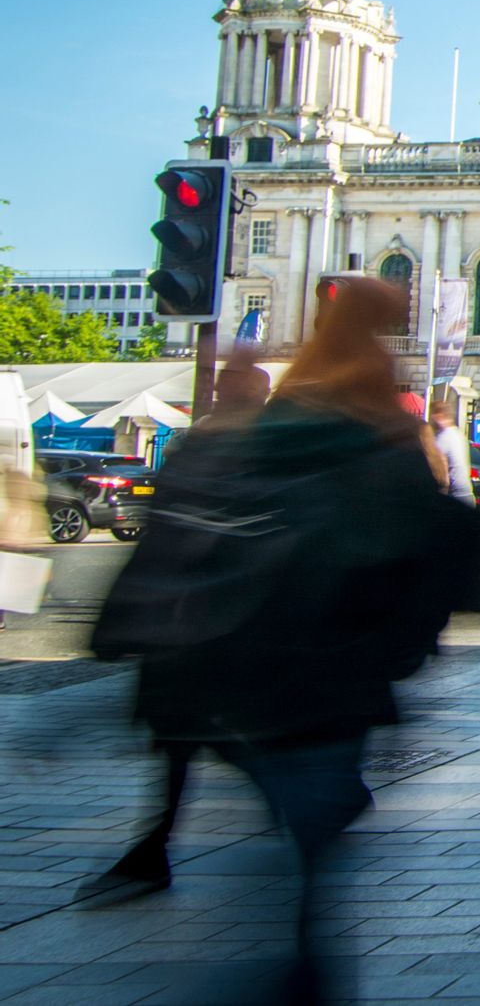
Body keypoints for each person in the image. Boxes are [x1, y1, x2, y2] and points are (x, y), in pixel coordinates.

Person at [92, 279, 474, 1003]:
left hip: (252, 660)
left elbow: (187, 531)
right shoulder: (383, 431)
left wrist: (128, 624)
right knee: (307, 857)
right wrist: (409, 641)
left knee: (290, 846)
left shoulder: (271, 423)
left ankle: (292, 964)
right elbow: (430, 552)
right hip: (337, 673)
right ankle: (301, 971)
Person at [83, 348, 272, 904]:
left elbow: (182, 532)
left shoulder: (225, 445)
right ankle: (154, 846)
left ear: (246, 393)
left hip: (197, 617)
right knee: (183, 737)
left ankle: (157, 847)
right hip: (191, 616)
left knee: (189, 734)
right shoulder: (226, 443)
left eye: (227, 386)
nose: (216, 392)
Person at [429, 400, 477, 505]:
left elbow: (432, 464)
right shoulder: (459, 434)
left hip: (455, 495)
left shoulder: (444, 437)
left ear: (439, 415)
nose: (432, 418)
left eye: (433, 414)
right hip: (468, 494)